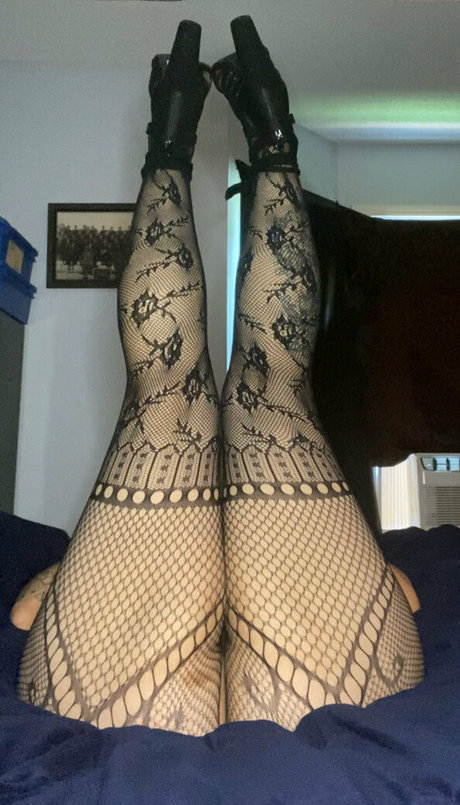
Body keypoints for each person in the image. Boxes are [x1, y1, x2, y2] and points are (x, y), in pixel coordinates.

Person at [15, 17, 423, 735]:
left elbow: (26, 613)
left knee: (179, 393)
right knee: (244, 390)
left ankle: (192, 141)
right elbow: (405, 595)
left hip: (138, 727)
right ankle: (247, 140)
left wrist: (57, 579)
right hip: (311, 725)